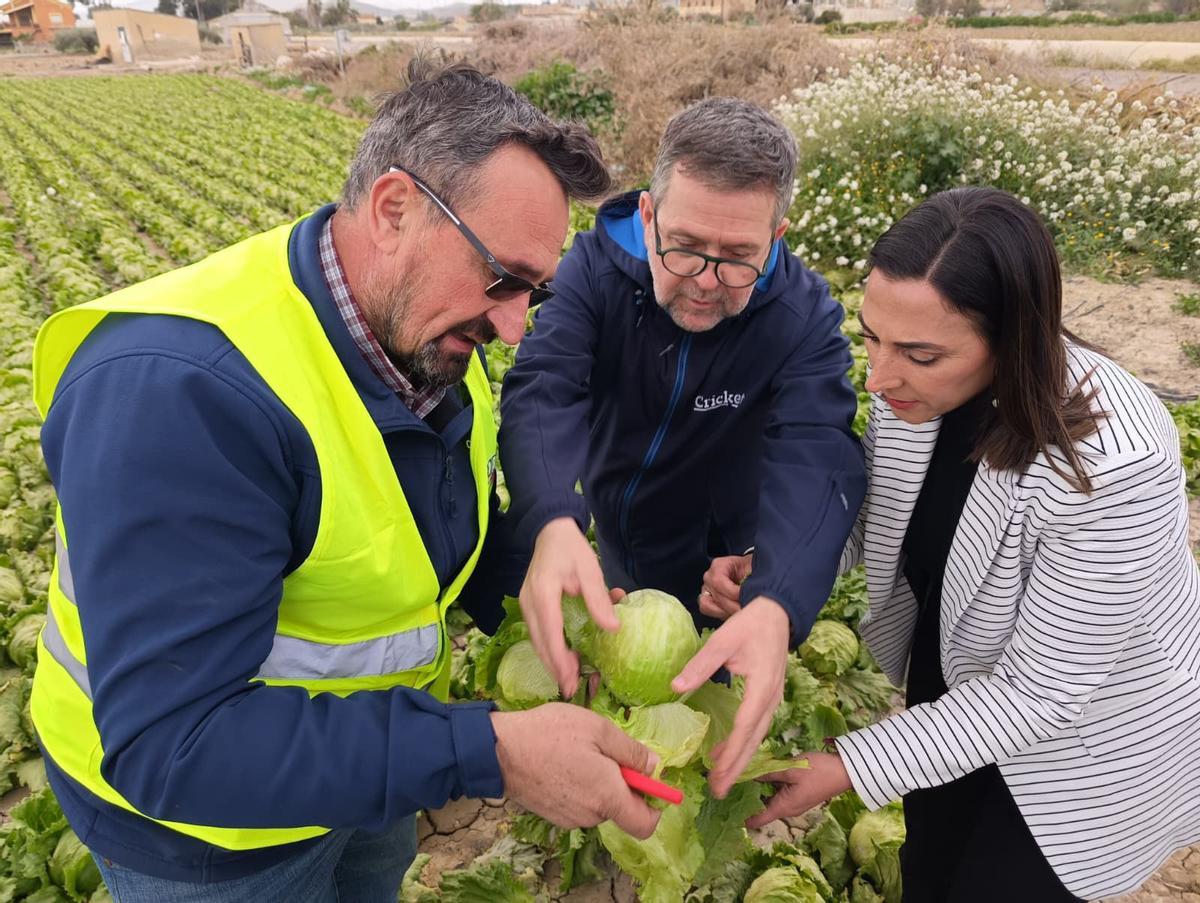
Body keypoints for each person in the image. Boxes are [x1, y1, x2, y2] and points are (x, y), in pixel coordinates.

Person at [30, 62, 662, 903]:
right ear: (395, 208)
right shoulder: (181, 394)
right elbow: (174, 742)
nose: (514, 324)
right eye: (503, 277)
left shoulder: (425, 332)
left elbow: (413, 523)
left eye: (535, 293)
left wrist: (549, 576)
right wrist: (492, 750)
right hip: (209, 836)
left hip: (371, 762)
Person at [717, 187, 1200, 901]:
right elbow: (878, 517)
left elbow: (1040, 692)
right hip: (966, 672)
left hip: (1087, 734)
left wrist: (848, 763)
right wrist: (774, 576)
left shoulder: (1114, 465)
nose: (879, 377)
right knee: (931, 869)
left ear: (1011, 337)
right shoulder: (919, 390)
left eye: (919, 352)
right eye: (871, 337)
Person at [498, 97, 866, 799]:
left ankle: (688, 801)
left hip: (721, 561)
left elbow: (817, 447)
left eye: (737, 259)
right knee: (619, 665)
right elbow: (545, 386)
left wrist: (777, 593)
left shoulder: (800, 317)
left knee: (703, 697)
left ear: (777, 236)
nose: (704, 280)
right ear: (647, 215)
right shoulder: (595, 274)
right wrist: (551, 515)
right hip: (612, 527)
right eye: (686, 245)